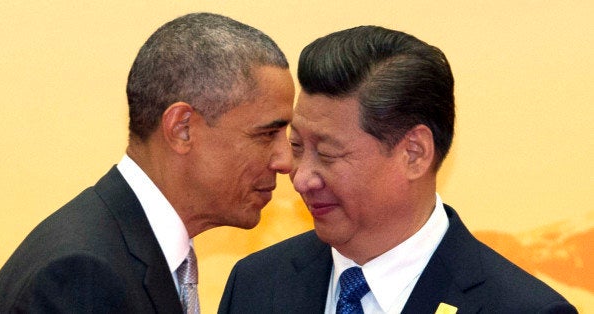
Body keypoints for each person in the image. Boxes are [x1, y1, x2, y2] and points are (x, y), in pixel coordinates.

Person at [218, 26, 577, 313]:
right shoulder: (257, 285)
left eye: (327, 153)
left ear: (415, 154)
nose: (301, 178)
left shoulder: (520, 307)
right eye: (297, 147)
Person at [0, 12, 294, 313]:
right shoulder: (80, 277)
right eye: (267, 134)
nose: (286, 161)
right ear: (182, 129)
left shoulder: (122, 250)